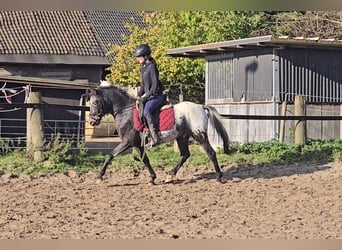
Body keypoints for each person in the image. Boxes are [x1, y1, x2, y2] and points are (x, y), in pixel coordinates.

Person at [134, 44, 166, 147]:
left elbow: (155, 85)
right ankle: (146, 133)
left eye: (139, 56)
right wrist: (138, 97)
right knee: (140, 111)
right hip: (149, 96)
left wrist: (145, 96)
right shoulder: (143, 68)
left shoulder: (151, 66)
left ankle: (155, 137)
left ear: (146, 56)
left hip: (157, 96)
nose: (138, 59)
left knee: (147, 111)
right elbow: (143, 85)